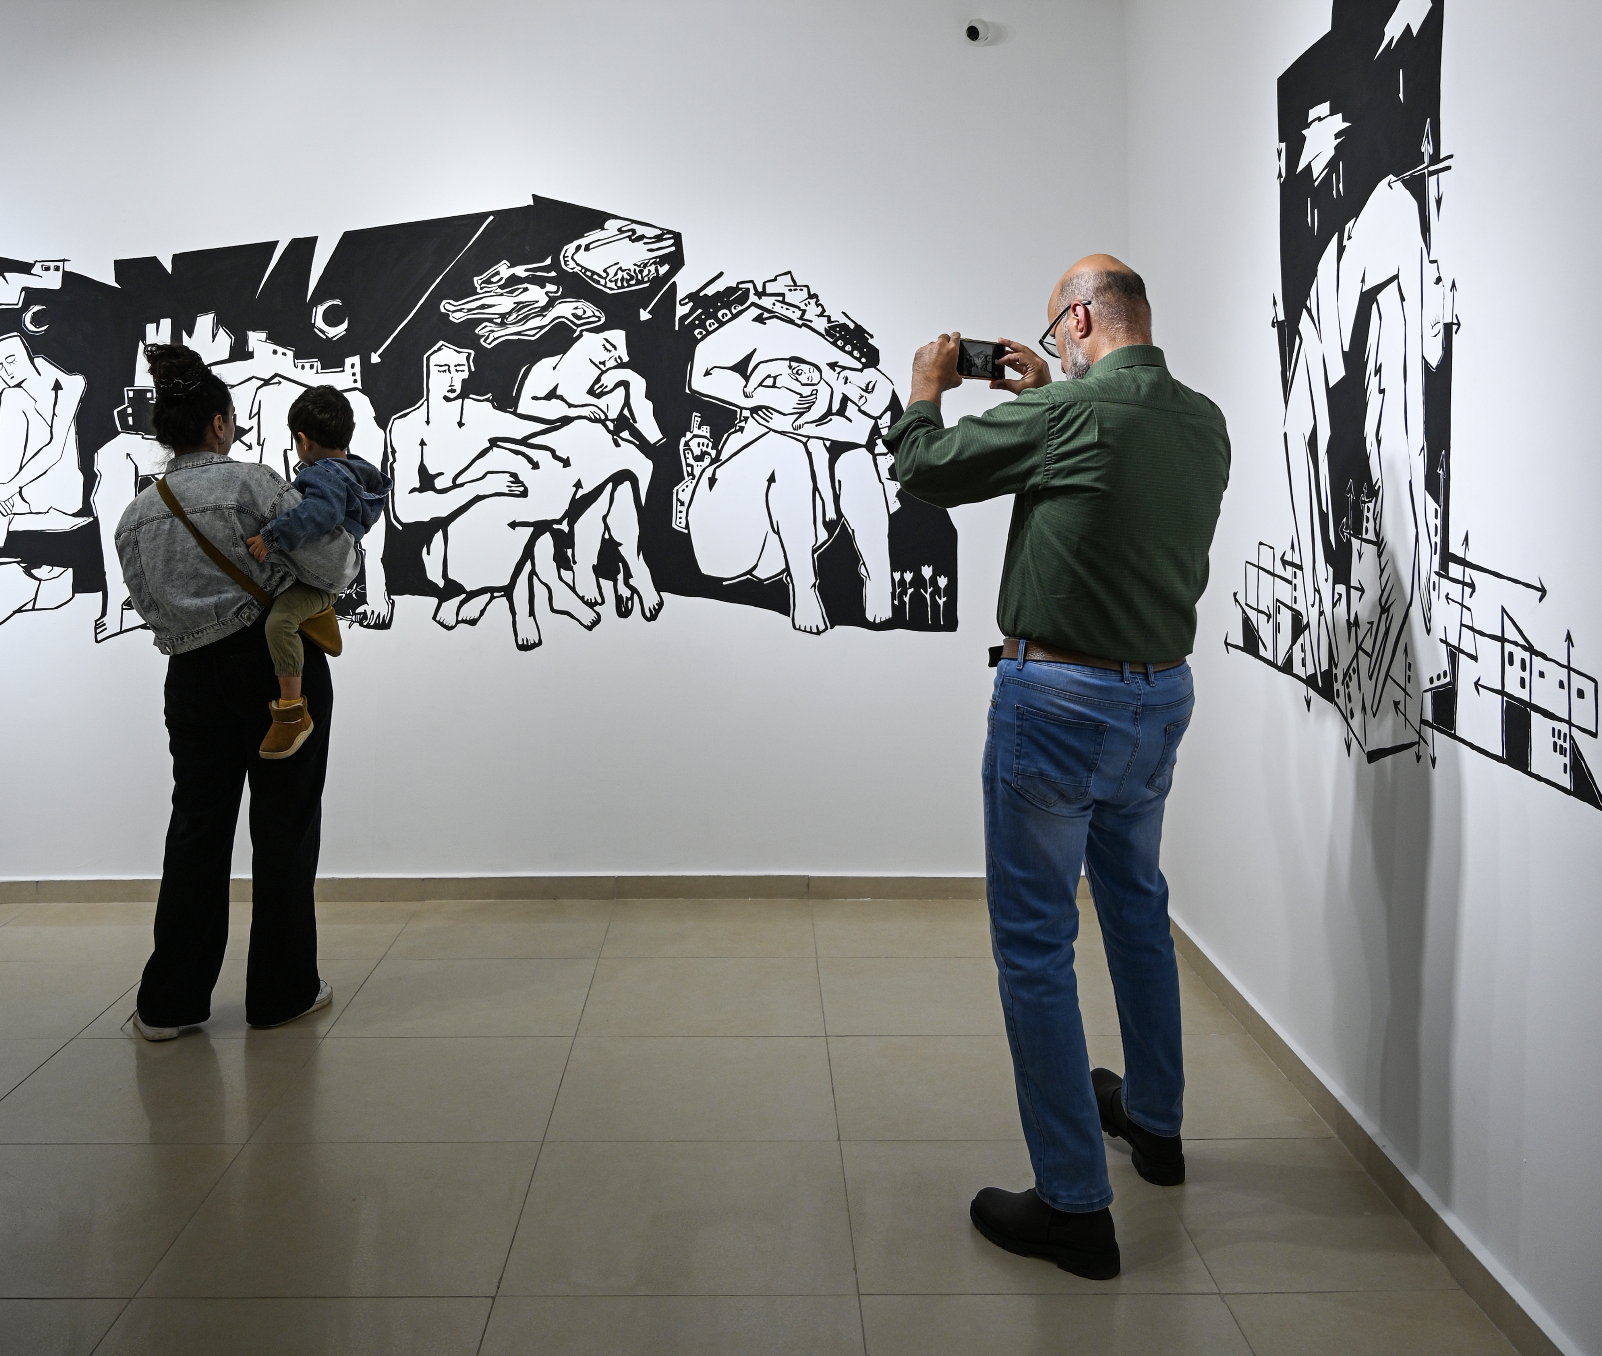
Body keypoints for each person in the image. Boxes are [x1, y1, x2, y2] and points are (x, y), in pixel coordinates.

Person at [885, 256, 1231, 1280]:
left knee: (1036, 944)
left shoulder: (1070, 413)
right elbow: (1104, 487)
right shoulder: (1203, 421)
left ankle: (1074, 1205)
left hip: (1060, 703)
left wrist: (926, 386)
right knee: (1136, 909)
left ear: (1079, 319)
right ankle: (1156, 1125)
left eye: (1053, 329)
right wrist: (1047, 393)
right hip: (1160, 700)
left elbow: (927, 468)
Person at [114, 344, 359, 1039]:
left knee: (197, 827)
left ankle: (169, 1002)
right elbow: (333, 566)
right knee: (284, 827)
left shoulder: (136, 513)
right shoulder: (254, 485)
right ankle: (282, 992)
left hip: (190, 676)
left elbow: (149, 608)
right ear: (220, 423)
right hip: (277, 669)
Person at [244, 385, 390, 759]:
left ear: (303, 441)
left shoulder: (323, 474)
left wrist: (271, 537)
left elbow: (318, 514)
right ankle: (320, 615)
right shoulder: (355, 472)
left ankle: (291, 711)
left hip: (326, 572)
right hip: (336, 571)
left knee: (278, 624)